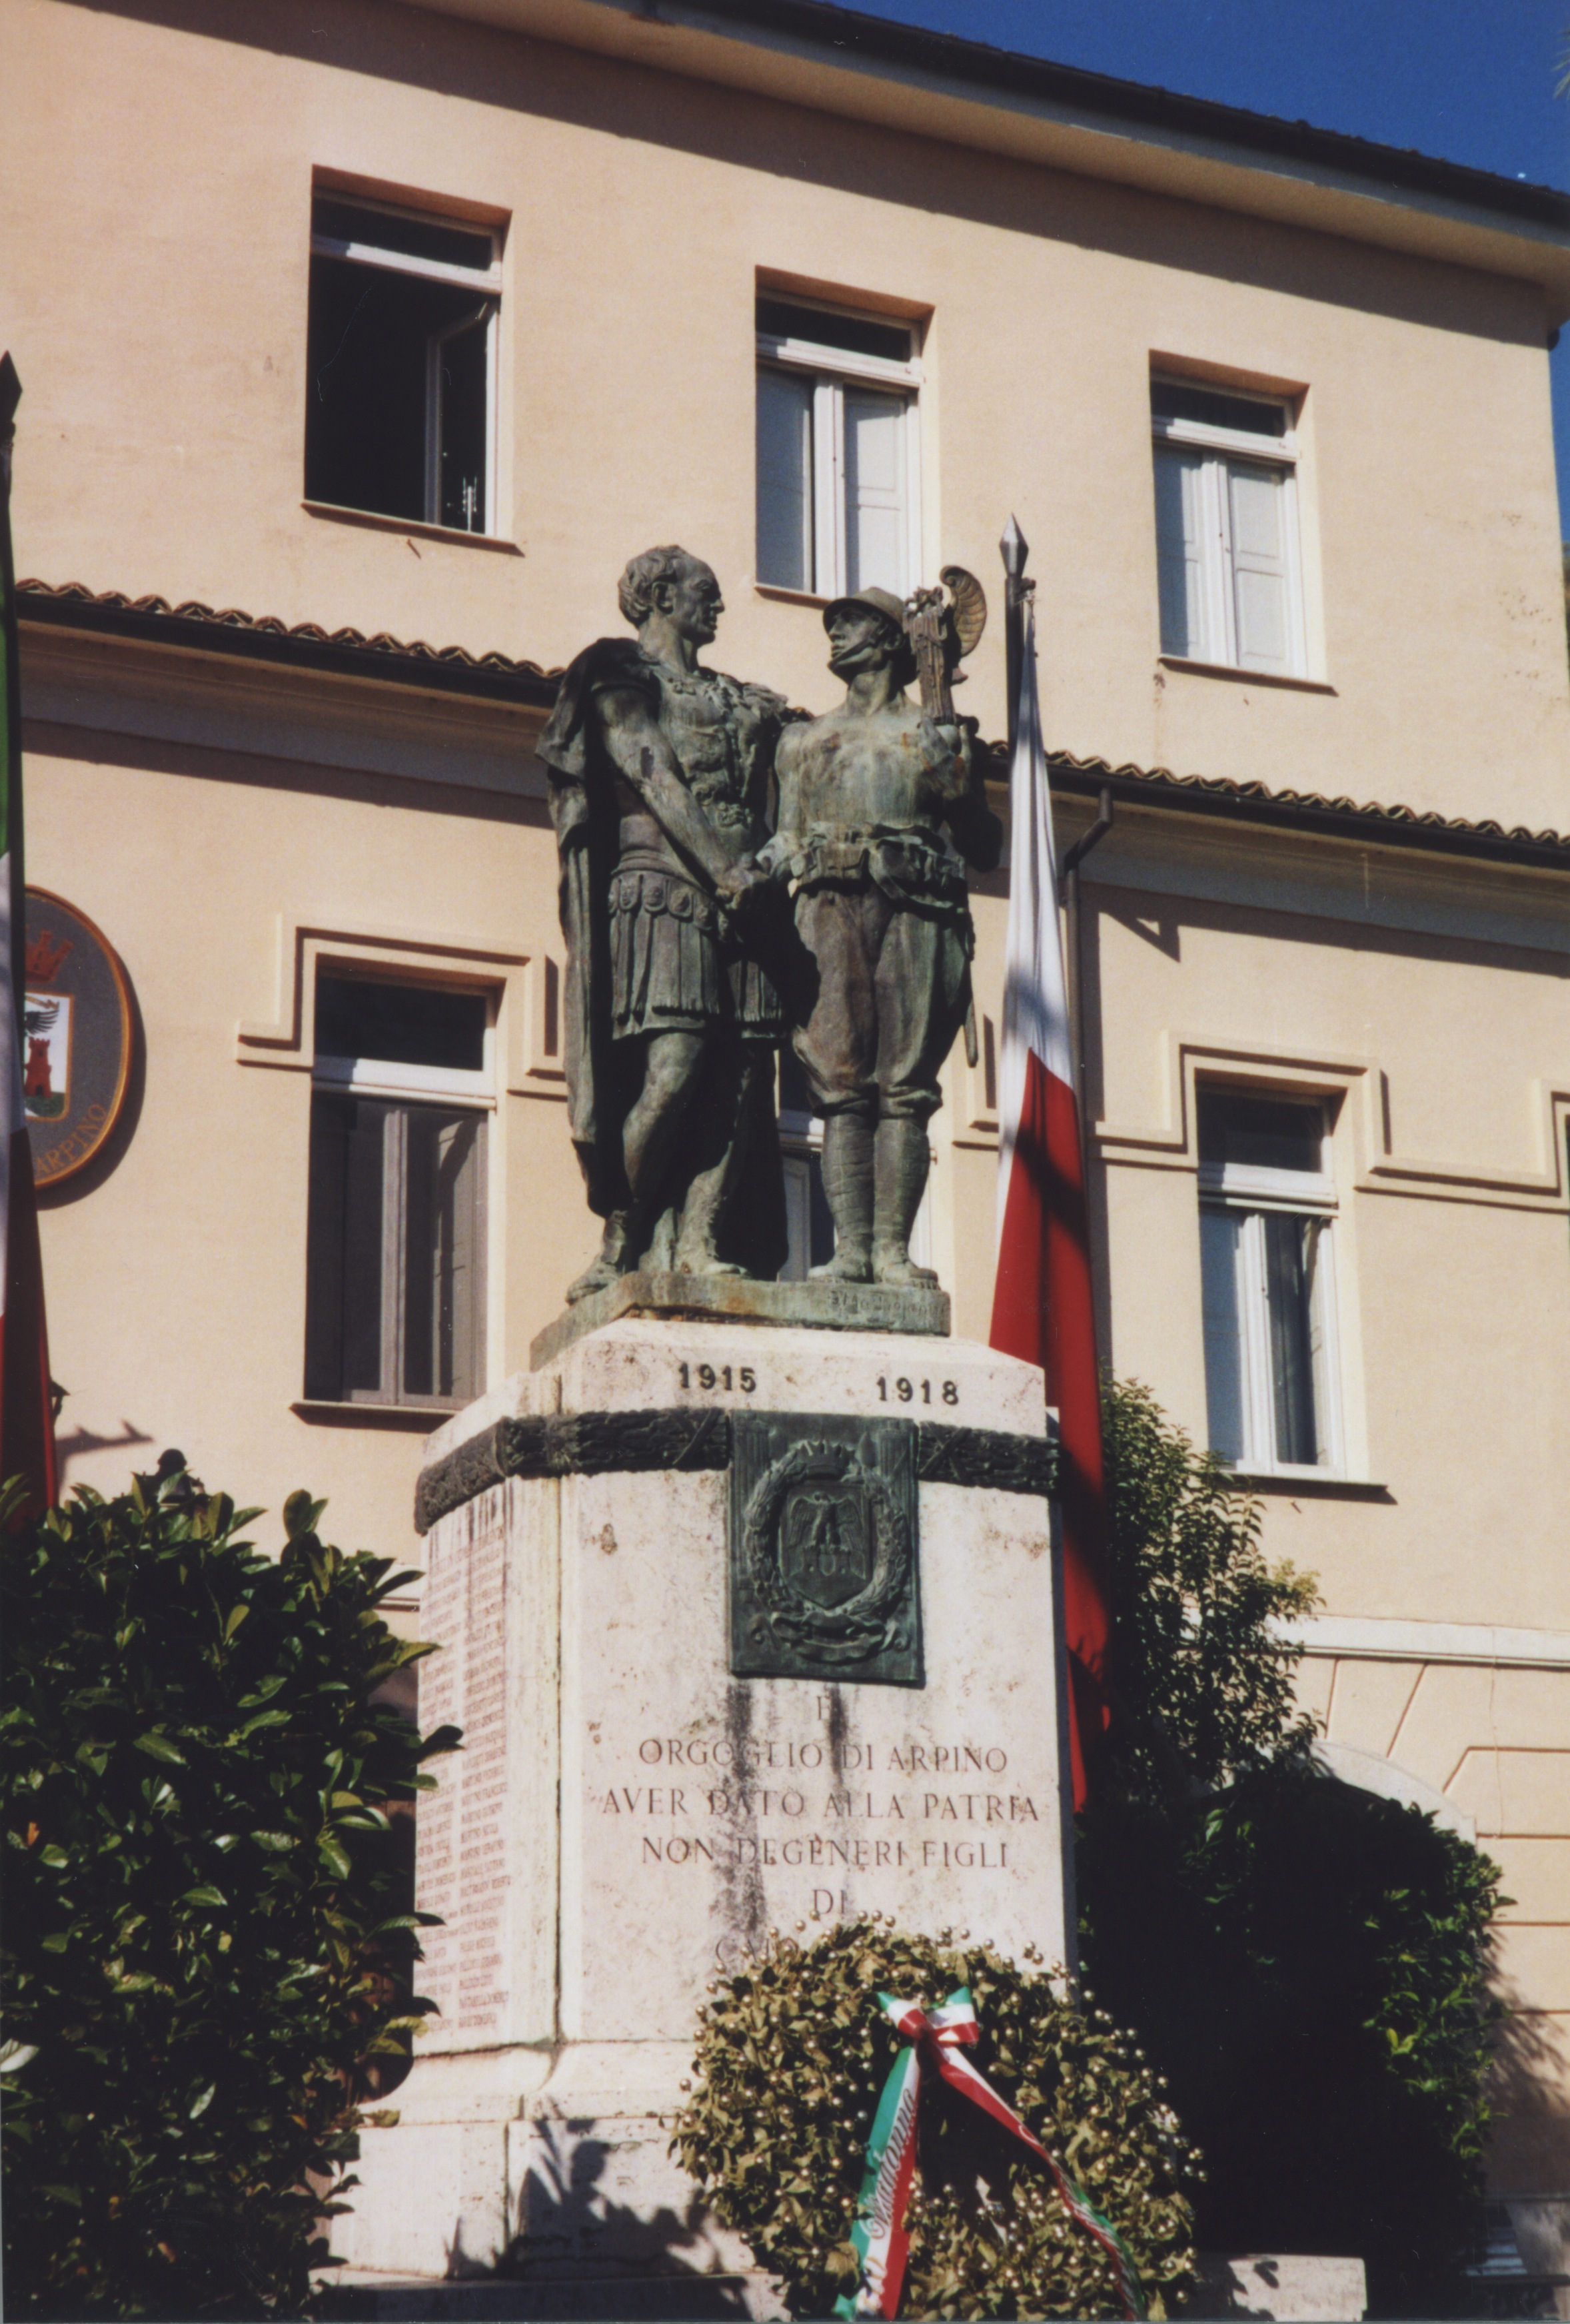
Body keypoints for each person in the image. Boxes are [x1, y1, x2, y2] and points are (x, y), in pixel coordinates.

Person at [537, 546, 790, 1300]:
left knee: (740, 1079)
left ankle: (700, 1237)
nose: (717, 606)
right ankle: (626, 1228)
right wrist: (725, 871)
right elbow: (652, 771)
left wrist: (769, 863)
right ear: (656, 596)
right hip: (663, 888)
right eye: (703, 593)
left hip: (748, 901)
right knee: (674, 1069)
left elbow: (782, 799)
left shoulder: (748, 700)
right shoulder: (616, 672)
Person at [764, 586, 1002, 1285]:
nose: (836, 635)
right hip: (828, 907)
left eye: (855, 625)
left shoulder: (938, 732)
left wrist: (950, 756)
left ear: (894, 642)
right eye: (834, 626)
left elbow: (983, 843)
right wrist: (752, 870)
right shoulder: (802, 739)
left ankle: (892, 1251)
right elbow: (786, 834)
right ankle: (851, 1251)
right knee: (839, 1086)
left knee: (902, 1086)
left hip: (917, 908)